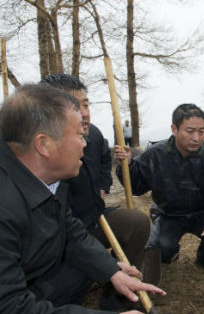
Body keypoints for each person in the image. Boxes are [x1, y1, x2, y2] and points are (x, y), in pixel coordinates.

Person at [0, 84, 170, 314]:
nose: (86, 143)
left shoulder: (50, 178)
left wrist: (112, 272)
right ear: (44, 144)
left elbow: (71, 231)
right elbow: (10, 311)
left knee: (80, 274)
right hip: (8, 303)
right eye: (79, 134)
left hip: (23, 280)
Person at [41, 74, 156, 296]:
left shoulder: (92, 134)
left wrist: (102, 187)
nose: (84, 113)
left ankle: (116, 294)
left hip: (91, 215)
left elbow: (105, 157)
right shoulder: (39, 153)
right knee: (70, 279)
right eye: (75, 106)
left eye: (85, 104)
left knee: (136, 222)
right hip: (58, 234)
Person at [114, 103, 204, 268]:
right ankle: (170, 252)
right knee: (160, 248)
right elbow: (136, 187)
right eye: (190, 131)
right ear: (174, 129)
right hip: (169, 214)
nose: (196, 138)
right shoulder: (155, 154)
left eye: (201, 132)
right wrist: (127, 166)